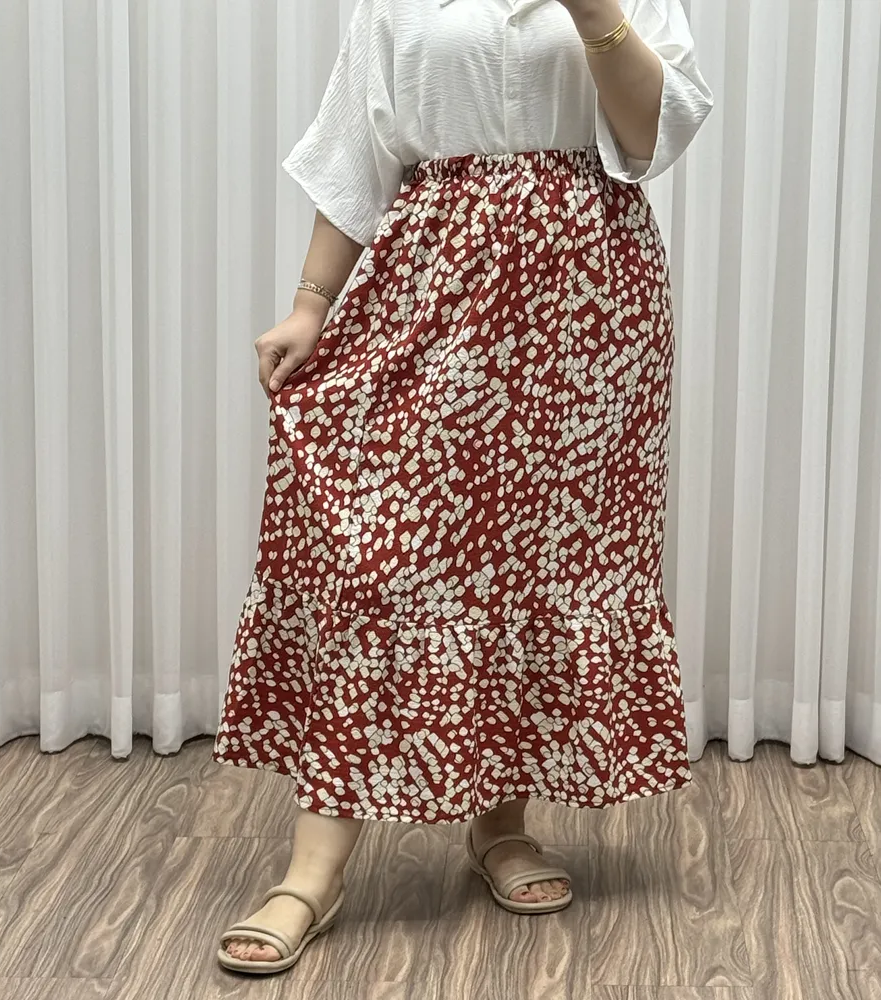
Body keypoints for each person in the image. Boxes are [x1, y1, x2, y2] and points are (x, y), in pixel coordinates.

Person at [213, 0, 712, 975]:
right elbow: (357, 149)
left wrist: (591, 10)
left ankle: (501, 826)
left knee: (529, 566)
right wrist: (311, 305)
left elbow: (651, 135)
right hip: (430, 290)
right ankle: (315, 867)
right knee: (379, 566)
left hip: (587, 313)